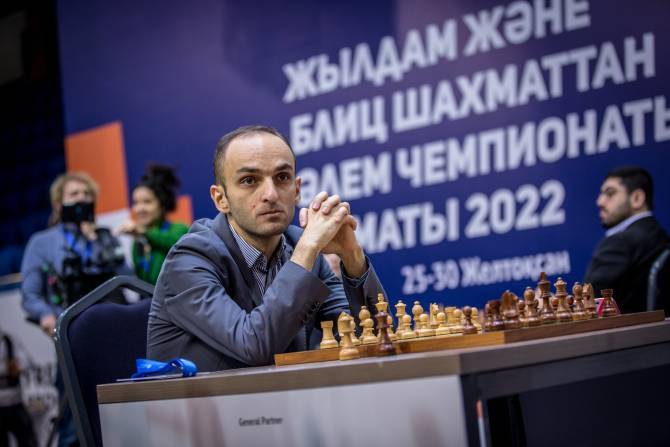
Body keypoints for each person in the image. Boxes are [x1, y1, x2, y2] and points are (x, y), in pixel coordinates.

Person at [147, 125, 385, 371]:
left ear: (297, 190)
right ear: (221, 199)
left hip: (283, 394)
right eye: (249, 180)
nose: (271, 194)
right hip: (205, 397)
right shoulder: (188, 259)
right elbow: (254, 348)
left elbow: (370, 335)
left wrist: (352, 256)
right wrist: (307, 249)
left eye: (282, 177)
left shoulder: (298, 245)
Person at [20, 171, 128, 447]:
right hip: (72, 336)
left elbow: (127, 279)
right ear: (59, 204)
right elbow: (30, 295)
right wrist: (46, 316)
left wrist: (96, 243)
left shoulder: (104, 237)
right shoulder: (42, 242)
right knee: (73, 426)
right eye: (74, 195)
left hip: (113, 333)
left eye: (86, 194)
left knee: (123, 419)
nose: (81, 199)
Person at [584, 166, 670, 314]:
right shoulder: (660, 237)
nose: (600, 202)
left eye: (610, 193)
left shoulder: (619, 243)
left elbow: (587, 304)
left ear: (637, 198)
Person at [116, 165, 189, 284]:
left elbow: (174, 243)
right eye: (136, 203)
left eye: (147, 202)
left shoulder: (179, 229)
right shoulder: (138, 243)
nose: (140, 209)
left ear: (162, 204)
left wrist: (143, 232)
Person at [0, 330, 37, 447]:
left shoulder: (9, 340)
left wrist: (18, 365)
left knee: (28, 440)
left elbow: (28, 362)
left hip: (15, 404)